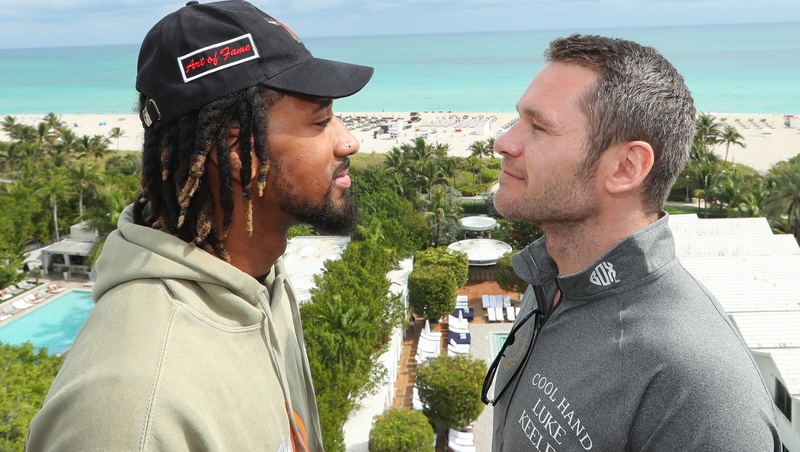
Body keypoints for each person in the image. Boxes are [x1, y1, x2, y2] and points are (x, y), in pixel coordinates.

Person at [27, 1, 372, 450]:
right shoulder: (133, 406)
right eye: (322, 119)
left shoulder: (259, 284)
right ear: (233, 151)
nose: (350, 140)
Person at [483, 34, 781, 451]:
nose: (504, 142)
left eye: (538, 127)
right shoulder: (550, 280)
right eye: (517, 119)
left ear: (626, 167)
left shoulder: (698, 386)